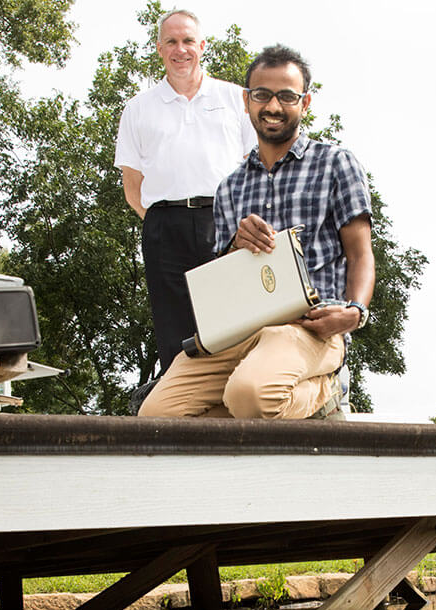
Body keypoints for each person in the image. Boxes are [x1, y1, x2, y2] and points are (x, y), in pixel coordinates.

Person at [139, 44, 373, 421]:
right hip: (241, 334)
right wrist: (235, 245)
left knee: (249, 395)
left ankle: (328, 390)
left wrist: (355, 312)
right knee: (156, 416)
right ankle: (250, 411)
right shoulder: (230, 186)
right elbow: (225, 280)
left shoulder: (335, 163)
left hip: (311, 329)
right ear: (247, 100)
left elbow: (361, 254)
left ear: (305, 102)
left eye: (287, 96)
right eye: (262, 95)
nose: (273, 107)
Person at [115, 9, 257, 377]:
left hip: (226, 224)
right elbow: (133, 187)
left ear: (202, 46)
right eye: (172, 42)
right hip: (164, 226)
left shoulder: (236, 99)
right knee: (175, 333)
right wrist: (162, 226)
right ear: (160, 48)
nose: (181, 50)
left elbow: (257, 171)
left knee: (235, 325)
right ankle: (181, 419)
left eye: (188, 41)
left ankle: (236, 418)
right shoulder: (137, 108)